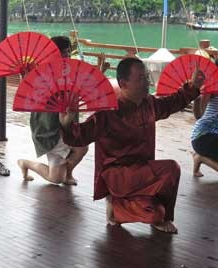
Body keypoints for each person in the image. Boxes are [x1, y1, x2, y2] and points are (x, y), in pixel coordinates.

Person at [59, 57, 205, 234]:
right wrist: (67, 125)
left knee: (155, 213)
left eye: (146, 77)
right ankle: (134, 208)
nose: (147, 82)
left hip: (142, 173)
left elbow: (172, 103)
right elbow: (80, 137)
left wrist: (194, 86)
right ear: (123, 83)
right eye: (141, 78)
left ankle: (116, 211)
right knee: (170, 168)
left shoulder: (149, 103)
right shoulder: (109, 112)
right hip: (118, 175)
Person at [18, 36, 108, 185]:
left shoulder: (72, 70)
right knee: (56, 178)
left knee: (81, 148)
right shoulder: (43, 73)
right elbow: (30, 95)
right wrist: (25, 78)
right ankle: (26, 163)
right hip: (48, 129)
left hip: (67, 125)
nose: (66, 56)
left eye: (67, 52)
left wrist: (100, 72)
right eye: (63, 52)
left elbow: (85, 88)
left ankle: (67, 174)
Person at [191, 90, 218, 177]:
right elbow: (199, 115)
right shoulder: (212, 87)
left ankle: (198, 159)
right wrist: (197, 101)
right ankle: (200, 158)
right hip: (203, 136)